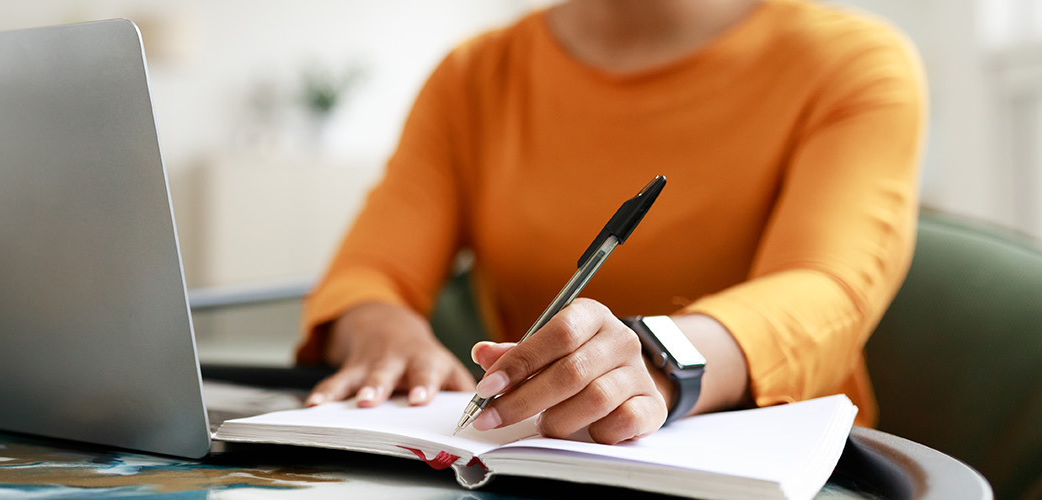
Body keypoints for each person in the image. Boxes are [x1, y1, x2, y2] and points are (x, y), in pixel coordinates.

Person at [296, 0, 924, 445]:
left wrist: (656, 359)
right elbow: (370, 272)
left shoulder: (856, 64)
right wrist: (381, 329)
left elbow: (826, 289)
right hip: (539, 457)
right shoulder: (473, 77)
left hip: (774, 465)